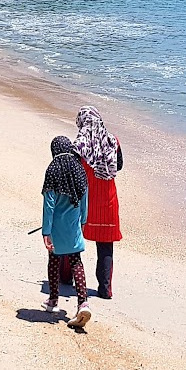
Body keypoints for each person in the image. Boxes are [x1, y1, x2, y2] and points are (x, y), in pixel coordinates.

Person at [41, 136, 92, 329]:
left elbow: (49, 204)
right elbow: (85, 198)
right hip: (73, 224)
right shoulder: (78, 169)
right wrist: (84, 221)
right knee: (75, 261)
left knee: (54, 260)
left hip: (56, 226)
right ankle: (83, 302)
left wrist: (46, 231)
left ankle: (53, 300)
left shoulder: (52, 169)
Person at [73, 106, 123, 299]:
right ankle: (105, 289)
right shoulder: (113, 141)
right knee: (105, 246)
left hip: (84, 198)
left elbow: (74, 171)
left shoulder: (79, 145)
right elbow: (118, 166)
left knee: (74, 240)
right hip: (107, 200)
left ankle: (67, 278)